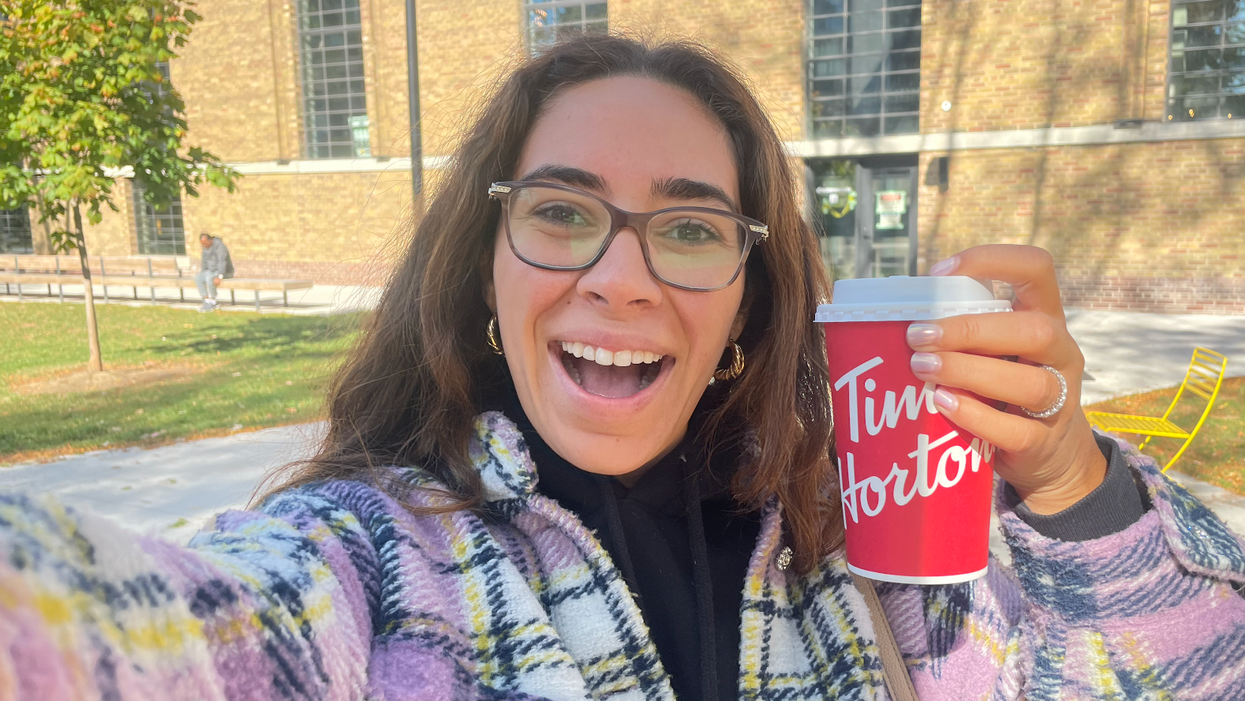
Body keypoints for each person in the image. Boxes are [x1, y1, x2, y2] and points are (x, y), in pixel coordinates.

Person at [1, 36, 1243, 700]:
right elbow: (173, 632)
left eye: (690, 227)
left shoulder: (860, 550)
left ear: (750, 297)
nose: (622, 276)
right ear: (483, 266)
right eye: (561, 211)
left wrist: (1076, 490)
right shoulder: (374, 562)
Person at [196, 231, 234, 312]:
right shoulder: (205, 246)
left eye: (205, 243)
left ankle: (213, 301)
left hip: (223, 271)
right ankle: (206, 300)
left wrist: (220, 276)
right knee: (198, 278)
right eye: (202, 244)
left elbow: (222, 261)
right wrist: (203, 272)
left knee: (210, 278)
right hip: (210, 271)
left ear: (210, 240)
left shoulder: (220, 246)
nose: (204, 245)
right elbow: (204, 261)